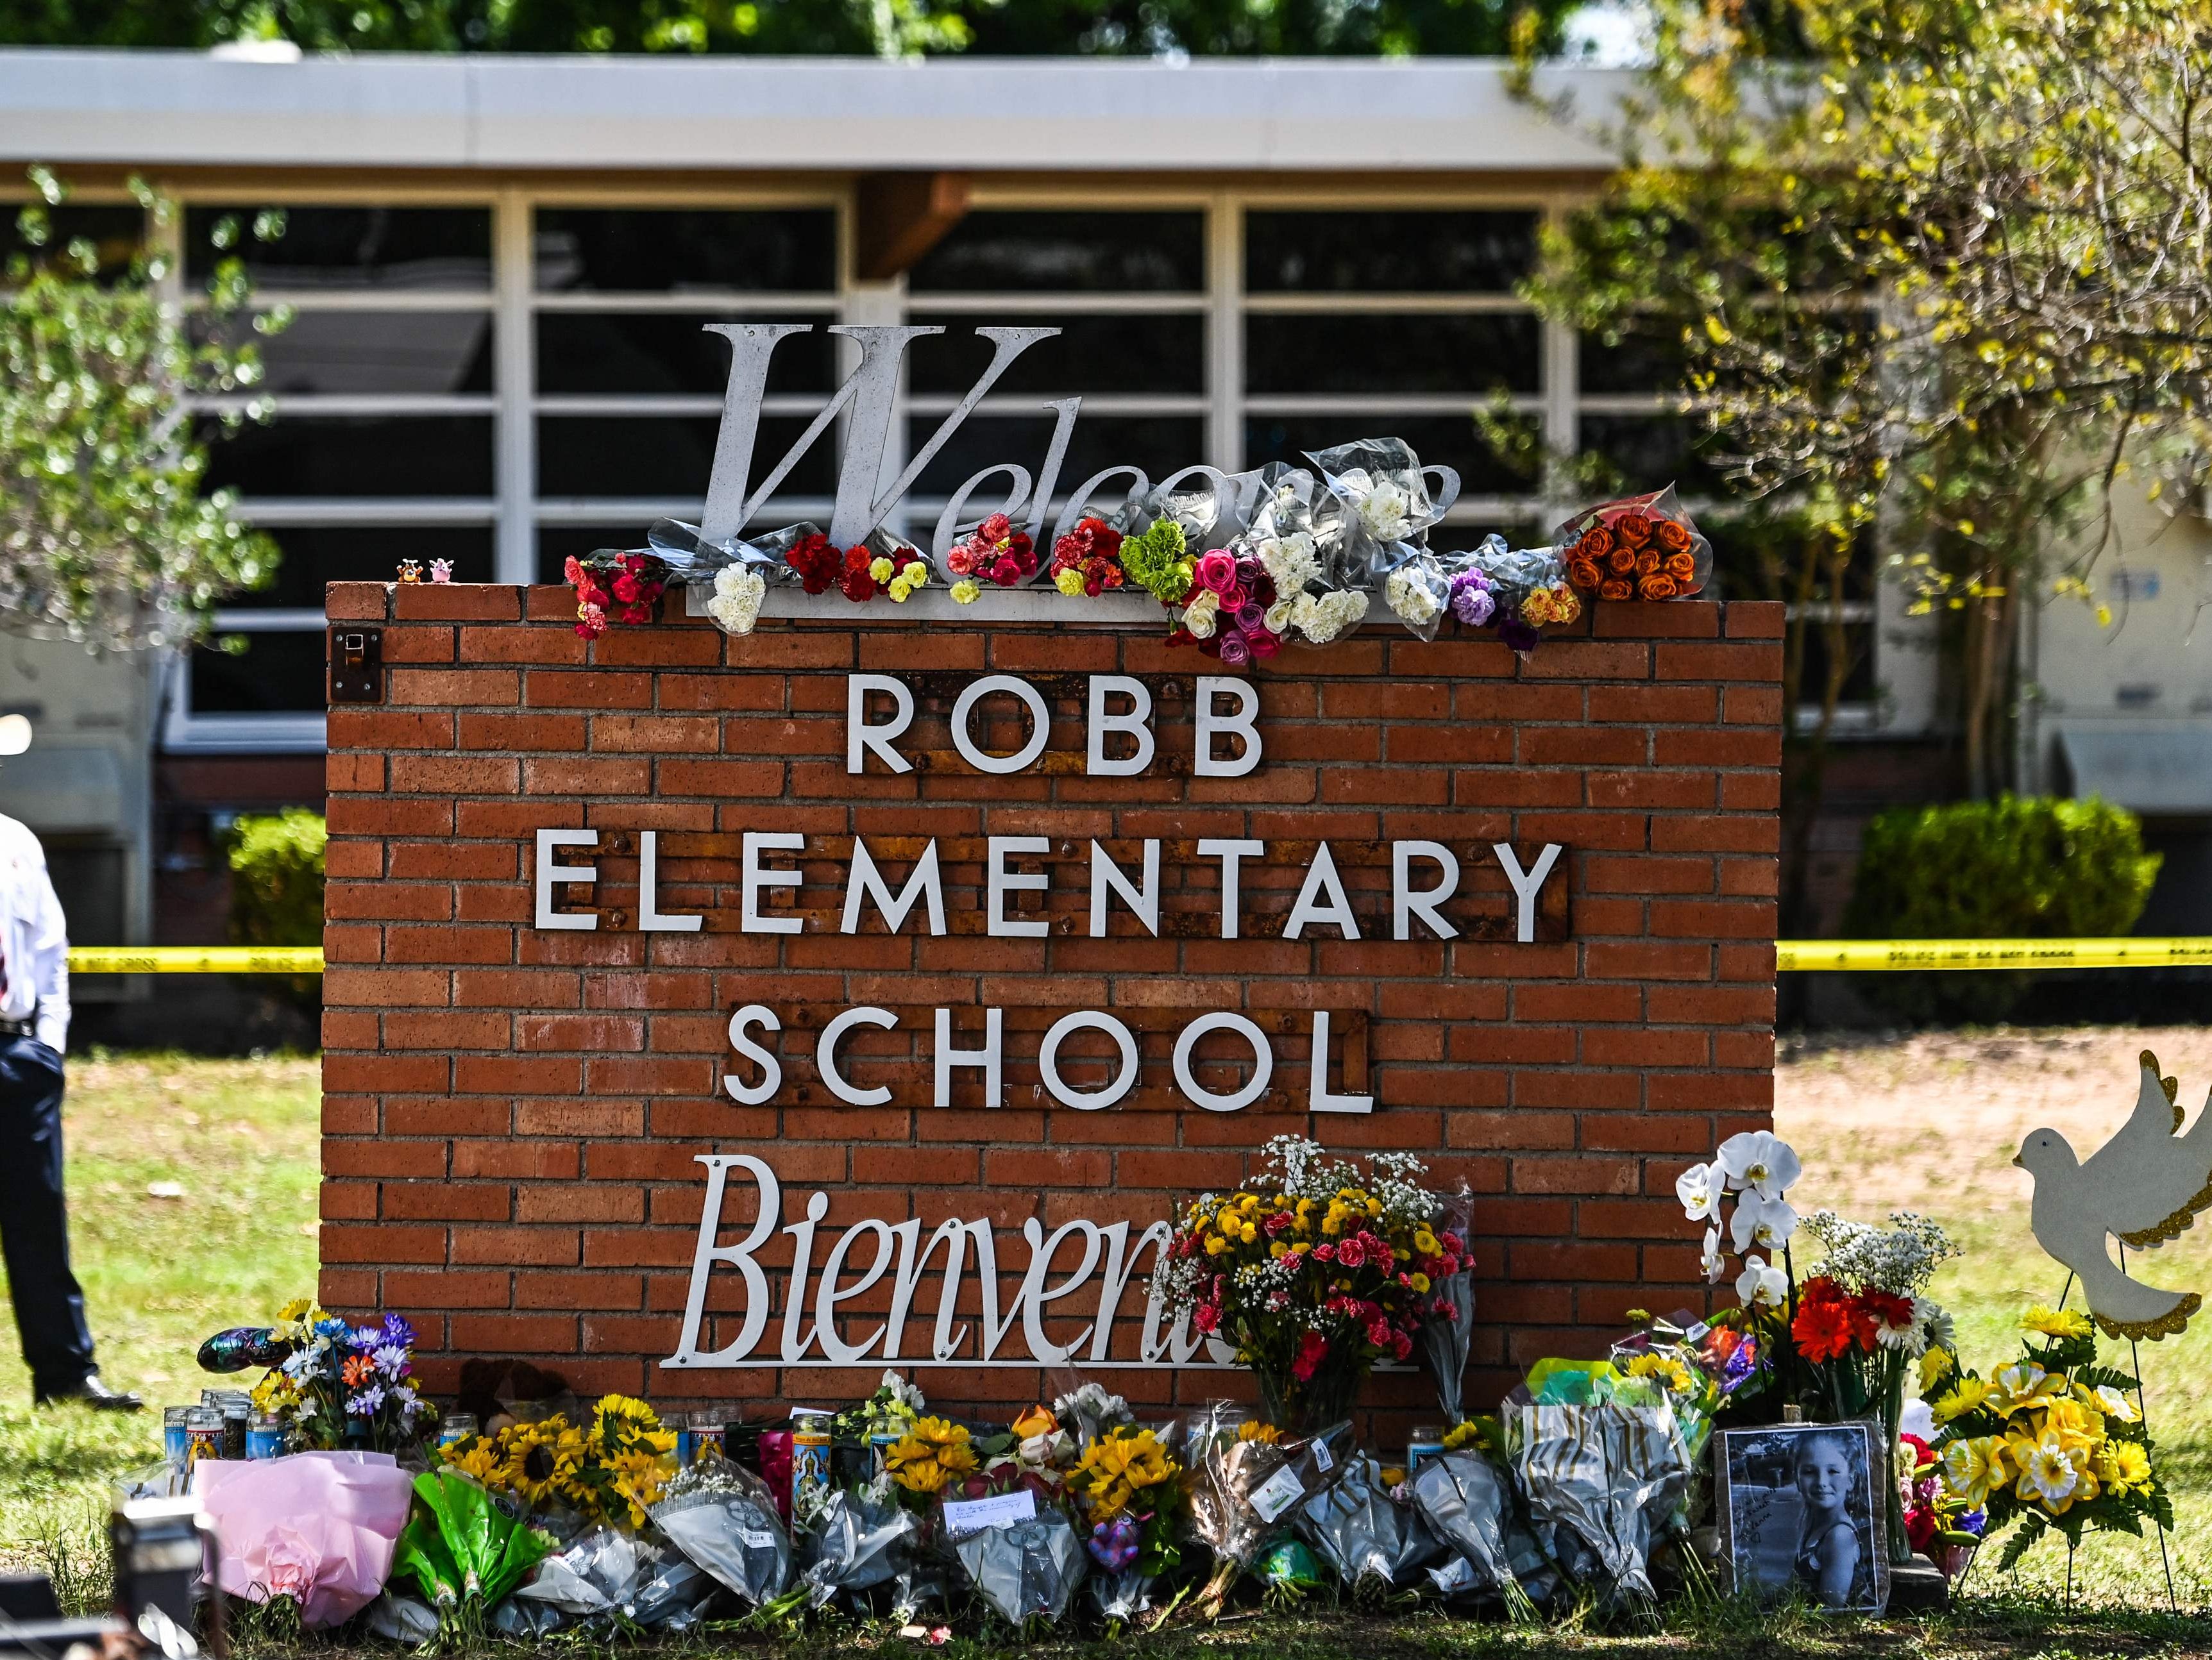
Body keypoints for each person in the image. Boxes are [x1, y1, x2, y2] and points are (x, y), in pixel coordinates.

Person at [0, 716, 138, 1410]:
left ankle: (64, 1373)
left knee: (36, 1218)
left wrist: (46, 1045)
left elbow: (51, 952)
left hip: (16, 1053)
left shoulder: (17, 844)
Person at [1791, 1429, 1866, 1607]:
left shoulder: (1839, 1537)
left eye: (1832, 1471)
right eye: (1809, 1472)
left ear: (1851, 1479)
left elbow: (1831, 1608)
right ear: (1797, 1478)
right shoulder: (1813, 1524)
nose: (1821, 1482)